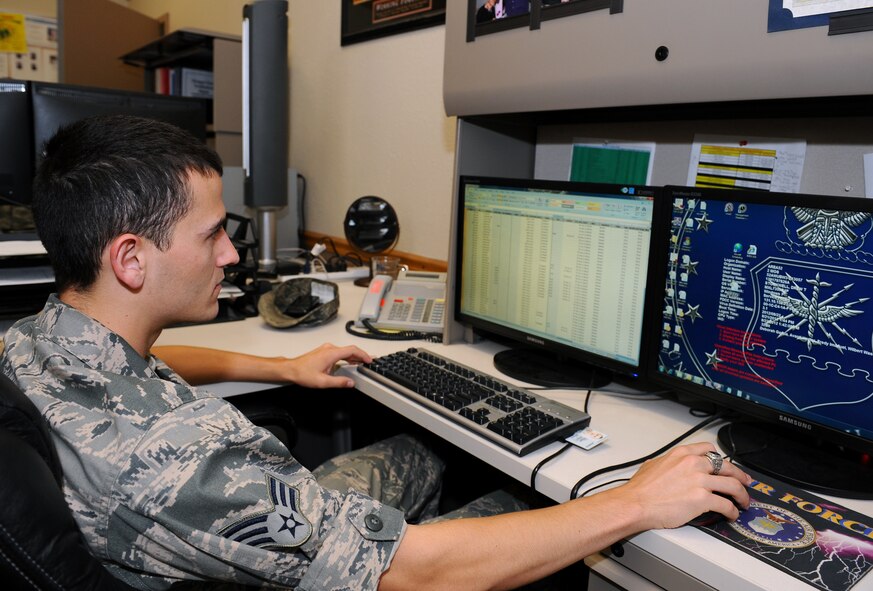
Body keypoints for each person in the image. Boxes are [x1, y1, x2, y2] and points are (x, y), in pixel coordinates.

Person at [1, 115, 752, 591]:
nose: (232, 254)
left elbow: (142, 369)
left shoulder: (38, 338)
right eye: (212, 234)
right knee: (533, 501)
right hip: (283, 550)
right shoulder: (178, 463)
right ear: (131, 259)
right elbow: (415, 571)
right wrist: (632, 499)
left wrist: (276, 366)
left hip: (235, 518)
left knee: (421, 449)